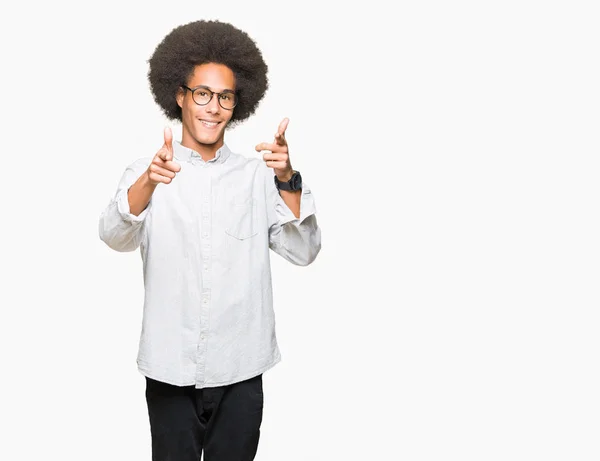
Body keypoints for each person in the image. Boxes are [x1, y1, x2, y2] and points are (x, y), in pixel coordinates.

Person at [98, 19, 321, 461]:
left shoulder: (258, 177)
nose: (212, 107)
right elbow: (113, 235)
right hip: (169, 366)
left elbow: (305, 250)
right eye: (202, 93)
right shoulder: (148, 171)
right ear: (179, 95)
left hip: (241, 367)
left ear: (236, 104)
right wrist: (149, 182)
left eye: (224, 96)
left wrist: (287, 178)